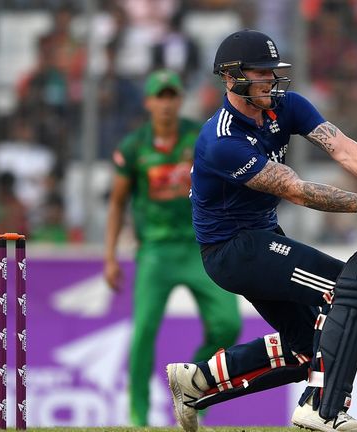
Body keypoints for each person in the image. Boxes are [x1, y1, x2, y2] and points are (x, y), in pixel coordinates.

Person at [164, 30, 357, 432]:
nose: (271, 81)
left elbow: (340, 146)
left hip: (262, 239)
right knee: (348, 287)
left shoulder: (284, 106)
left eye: (273, 72)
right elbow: (294, 188)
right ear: (232, 77)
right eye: (261, 73)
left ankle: (197, 382)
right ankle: (323, 408)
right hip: (232, 250)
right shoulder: (221, 140)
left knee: (308, 349)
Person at [103, 69, 242, 427]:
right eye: (159, 96)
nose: (165, 103)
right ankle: (139, 417)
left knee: (228, 324)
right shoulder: (134, 146)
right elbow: (117, 203)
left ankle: (193, 391)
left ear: (180, 100)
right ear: (148, 102)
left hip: (202, 247)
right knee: (143, 333)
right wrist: (110, 258)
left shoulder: (199, 137)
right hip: (155, 252)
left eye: (171, 96)